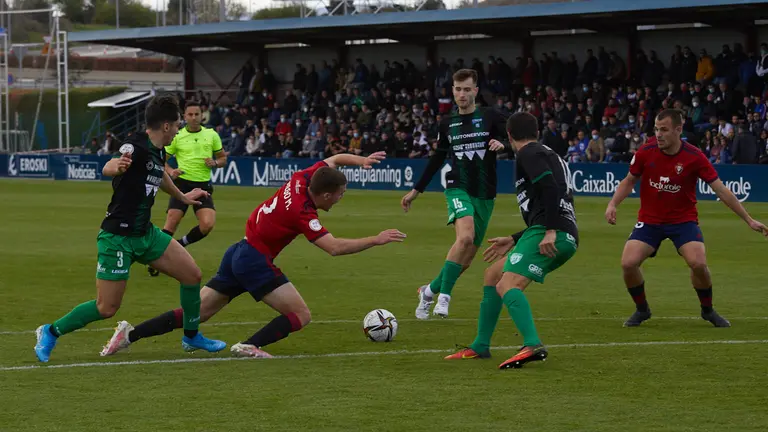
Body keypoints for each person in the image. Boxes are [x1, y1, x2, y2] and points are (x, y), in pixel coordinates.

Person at [100, 152, 406, 358]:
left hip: (239, 251)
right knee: (301, 315)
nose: (340, 200)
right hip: (254, 260)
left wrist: (360, 160)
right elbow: (334, 248)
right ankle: (250, 345)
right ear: (325, 194)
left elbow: (335, 158)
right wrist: (376, 239)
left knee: (198, 313)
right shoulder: (302, 211)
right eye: (340, 195)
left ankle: (130, 335)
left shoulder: (303, 177)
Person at [34, 94, 226, 363]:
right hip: (117, 238)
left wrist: (183, 197)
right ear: (167, 126)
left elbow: (157, 174)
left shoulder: (160, 150)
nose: (181, 126)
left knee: (192, 275)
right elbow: (110, 165)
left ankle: (191, 336)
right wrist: (115, 166)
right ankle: (50, 331)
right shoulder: (134, 146)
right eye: (179, 122)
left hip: (145, 234)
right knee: (106, 308)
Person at [605, 109, 768, 327]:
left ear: (678, 130)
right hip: (650, 221)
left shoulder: (694, 156)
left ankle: (707, 310)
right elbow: (629, 180)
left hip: (683, 221)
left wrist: (749, 220)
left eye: (664, 130)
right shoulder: (646, 151)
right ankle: (642, 310)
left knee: (698, 264)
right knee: (628, 263)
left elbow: (721, 190)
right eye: (656, 129)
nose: (658, 134)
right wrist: (613, 203)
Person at [444, 112, 579, 369]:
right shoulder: (548, 153)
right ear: (537, 131)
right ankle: (481, 346)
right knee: (493, 275)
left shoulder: (528, 153)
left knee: (507, 284)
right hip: (556, 231)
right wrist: (515, 238)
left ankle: (532, 343)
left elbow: (550, 189)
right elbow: (550, 199)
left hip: (551, 232)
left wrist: (550, 230)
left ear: (508, 135)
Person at [401, 68, 509, 319]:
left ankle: (428, 291)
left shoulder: (491, 116)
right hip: (457, 187)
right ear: (452, 91)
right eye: (458, 89)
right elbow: (437, 157)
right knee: (465, 238)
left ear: (475, 91)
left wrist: (502, 142)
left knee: (466, 259)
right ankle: (444, 299)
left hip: (485, 194)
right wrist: (416, 190)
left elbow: (513, 135)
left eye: (467, 89)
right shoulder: (447, 123)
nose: (462, 94)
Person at [148, 101, 226, 277]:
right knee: (171, 223)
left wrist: (215, 163)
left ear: (201, 115)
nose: (193, 117)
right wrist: (170, 171)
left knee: (207, 225)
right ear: (184, 116)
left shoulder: (211, 135)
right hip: (182, 184)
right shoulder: (178, 136)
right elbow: (162, 159)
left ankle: (181, 244)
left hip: (203, 186)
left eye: (196, 114)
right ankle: (155, 257)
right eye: (189, 114)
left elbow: (222, 158)